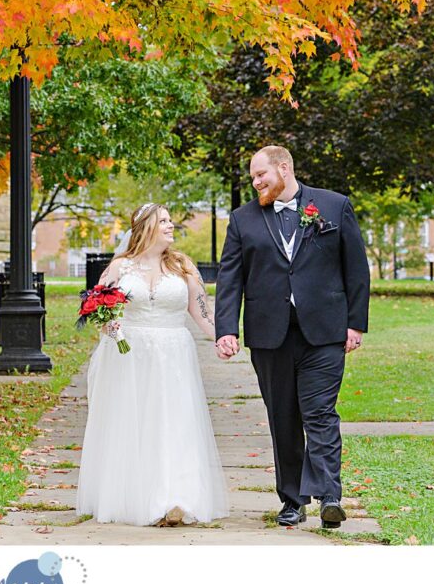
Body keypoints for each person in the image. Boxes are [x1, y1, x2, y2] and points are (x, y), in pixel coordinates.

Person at [214, 145, 370, 528]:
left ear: (283, 168)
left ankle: (331, 496)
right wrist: (226, 329)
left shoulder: (333, 206)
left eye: (260, 175)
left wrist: (355, 324)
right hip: (270, 335)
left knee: (319, 413)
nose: (255, 182)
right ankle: (292, 500)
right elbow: (230, 278)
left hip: (325, 332)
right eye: (252, 177)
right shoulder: (242, 220)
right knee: (282, 417)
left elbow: (356, 268)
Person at [76, 203, 229, 526]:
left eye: (171, 220)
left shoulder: (183, 266)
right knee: (136, 423)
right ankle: (134, 495)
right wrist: (109, 326)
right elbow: (100, 310)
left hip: (173, 354)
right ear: (145, 227)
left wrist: (222, 338)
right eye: (164, 221)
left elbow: (202, 312)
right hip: (130, 357)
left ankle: (177, 498)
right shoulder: (119, 267)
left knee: (175, 423)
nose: (171, 226)